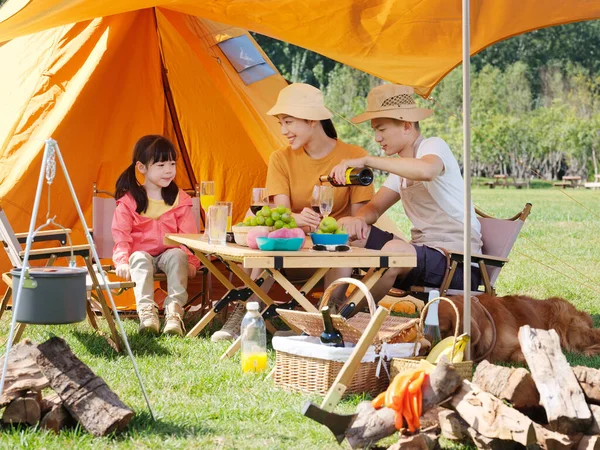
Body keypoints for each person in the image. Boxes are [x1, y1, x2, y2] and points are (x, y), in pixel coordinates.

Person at [210, 83, 374, 342]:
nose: (284, 131)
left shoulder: (353, 157)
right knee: (265, 241)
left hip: (332, 256)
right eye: (281, 124)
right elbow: (281, 214)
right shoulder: (280, 159)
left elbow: (357, 220)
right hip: (291, 252)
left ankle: (329, 315)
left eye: (288, 122)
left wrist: (336, 227)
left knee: (341, 247)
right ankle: (245, 311)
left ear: (312, 121)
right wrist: (295, 219)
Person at [329, 84, 483, 302]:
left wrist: (367, 160)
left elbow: (426, 171)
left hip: (457, 264)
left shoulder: (434, 146)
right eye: (375, 130)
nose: (377, 138)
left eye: (381, 130)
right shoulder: (402, 169)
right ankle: (329, 306)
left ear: (407, 126)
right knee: (344, 229)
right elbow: (374, 208)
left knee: (394, 250)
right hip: (421, 254)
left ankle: (345, 316)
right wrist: (358, 220)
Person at [112, 135, 201, 337]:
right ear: (142, 167)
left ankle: (174, 313)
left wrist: (193, 262)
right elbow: (121, 235)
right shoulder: (129, 201)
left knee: (179, 255)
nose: (169, 170)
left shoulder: (179, 199)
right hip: (140, 255)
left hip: (168, 255)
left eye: (172, 163)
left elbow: (189, 236)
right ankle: (147, 314)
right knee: (139, 258)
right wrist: (122, 261)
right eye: (161, 165)